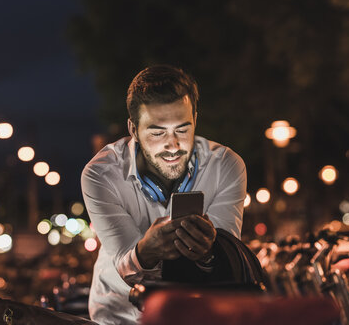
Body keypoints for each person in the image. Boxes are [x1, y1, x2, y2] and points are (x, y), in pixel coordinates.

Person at [81, 65, 247, 324]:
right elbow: (123, 259)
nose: (173, 145)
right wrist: (146, 252)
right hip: (121, 316)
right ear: (133, 129)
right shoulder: (101, 175)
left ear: (195, 119)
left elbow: (228, 263)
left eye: (182, 129)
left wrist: (209, 253)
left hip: (196, 315)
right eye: (158, 132)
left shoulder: (225, 166)